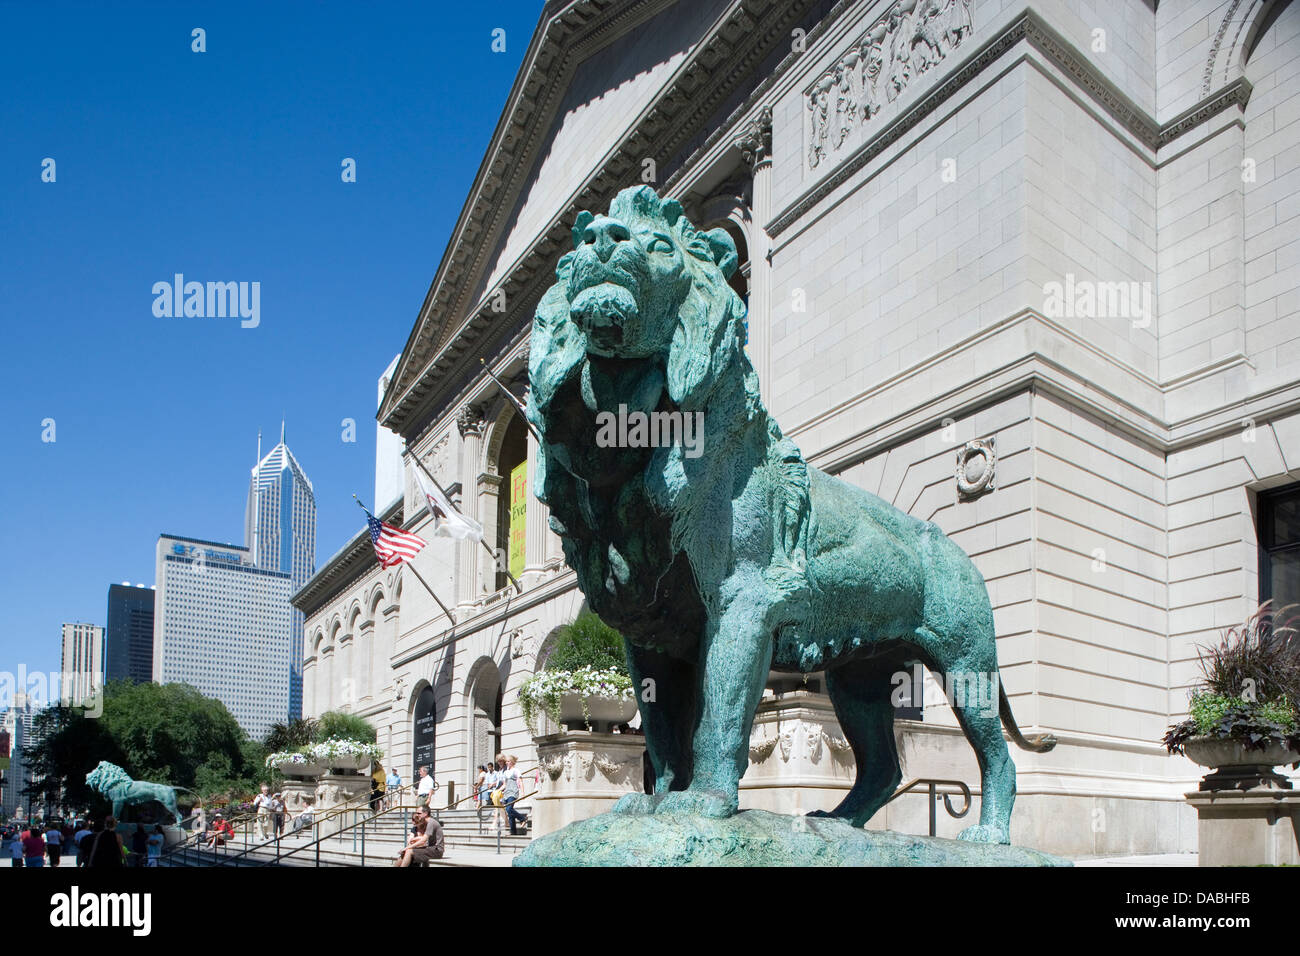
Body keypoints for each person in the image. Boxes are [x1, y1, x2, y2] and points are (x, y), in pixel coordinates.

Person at [502, 754, 527, 836]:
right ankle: (513, 832)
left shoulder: (516, 770)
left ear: (512, 762)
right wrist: (498, 790)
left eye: (508, 761)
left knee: (509, 809)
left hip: (513, 792)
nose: (506, 763)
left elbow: (520, 781)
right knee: (509, 812)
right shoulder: (505, 772)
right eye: (506, 761)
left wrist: (523, 793)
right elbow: (504, 784)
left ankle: (522, 818)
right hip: (506, 792)